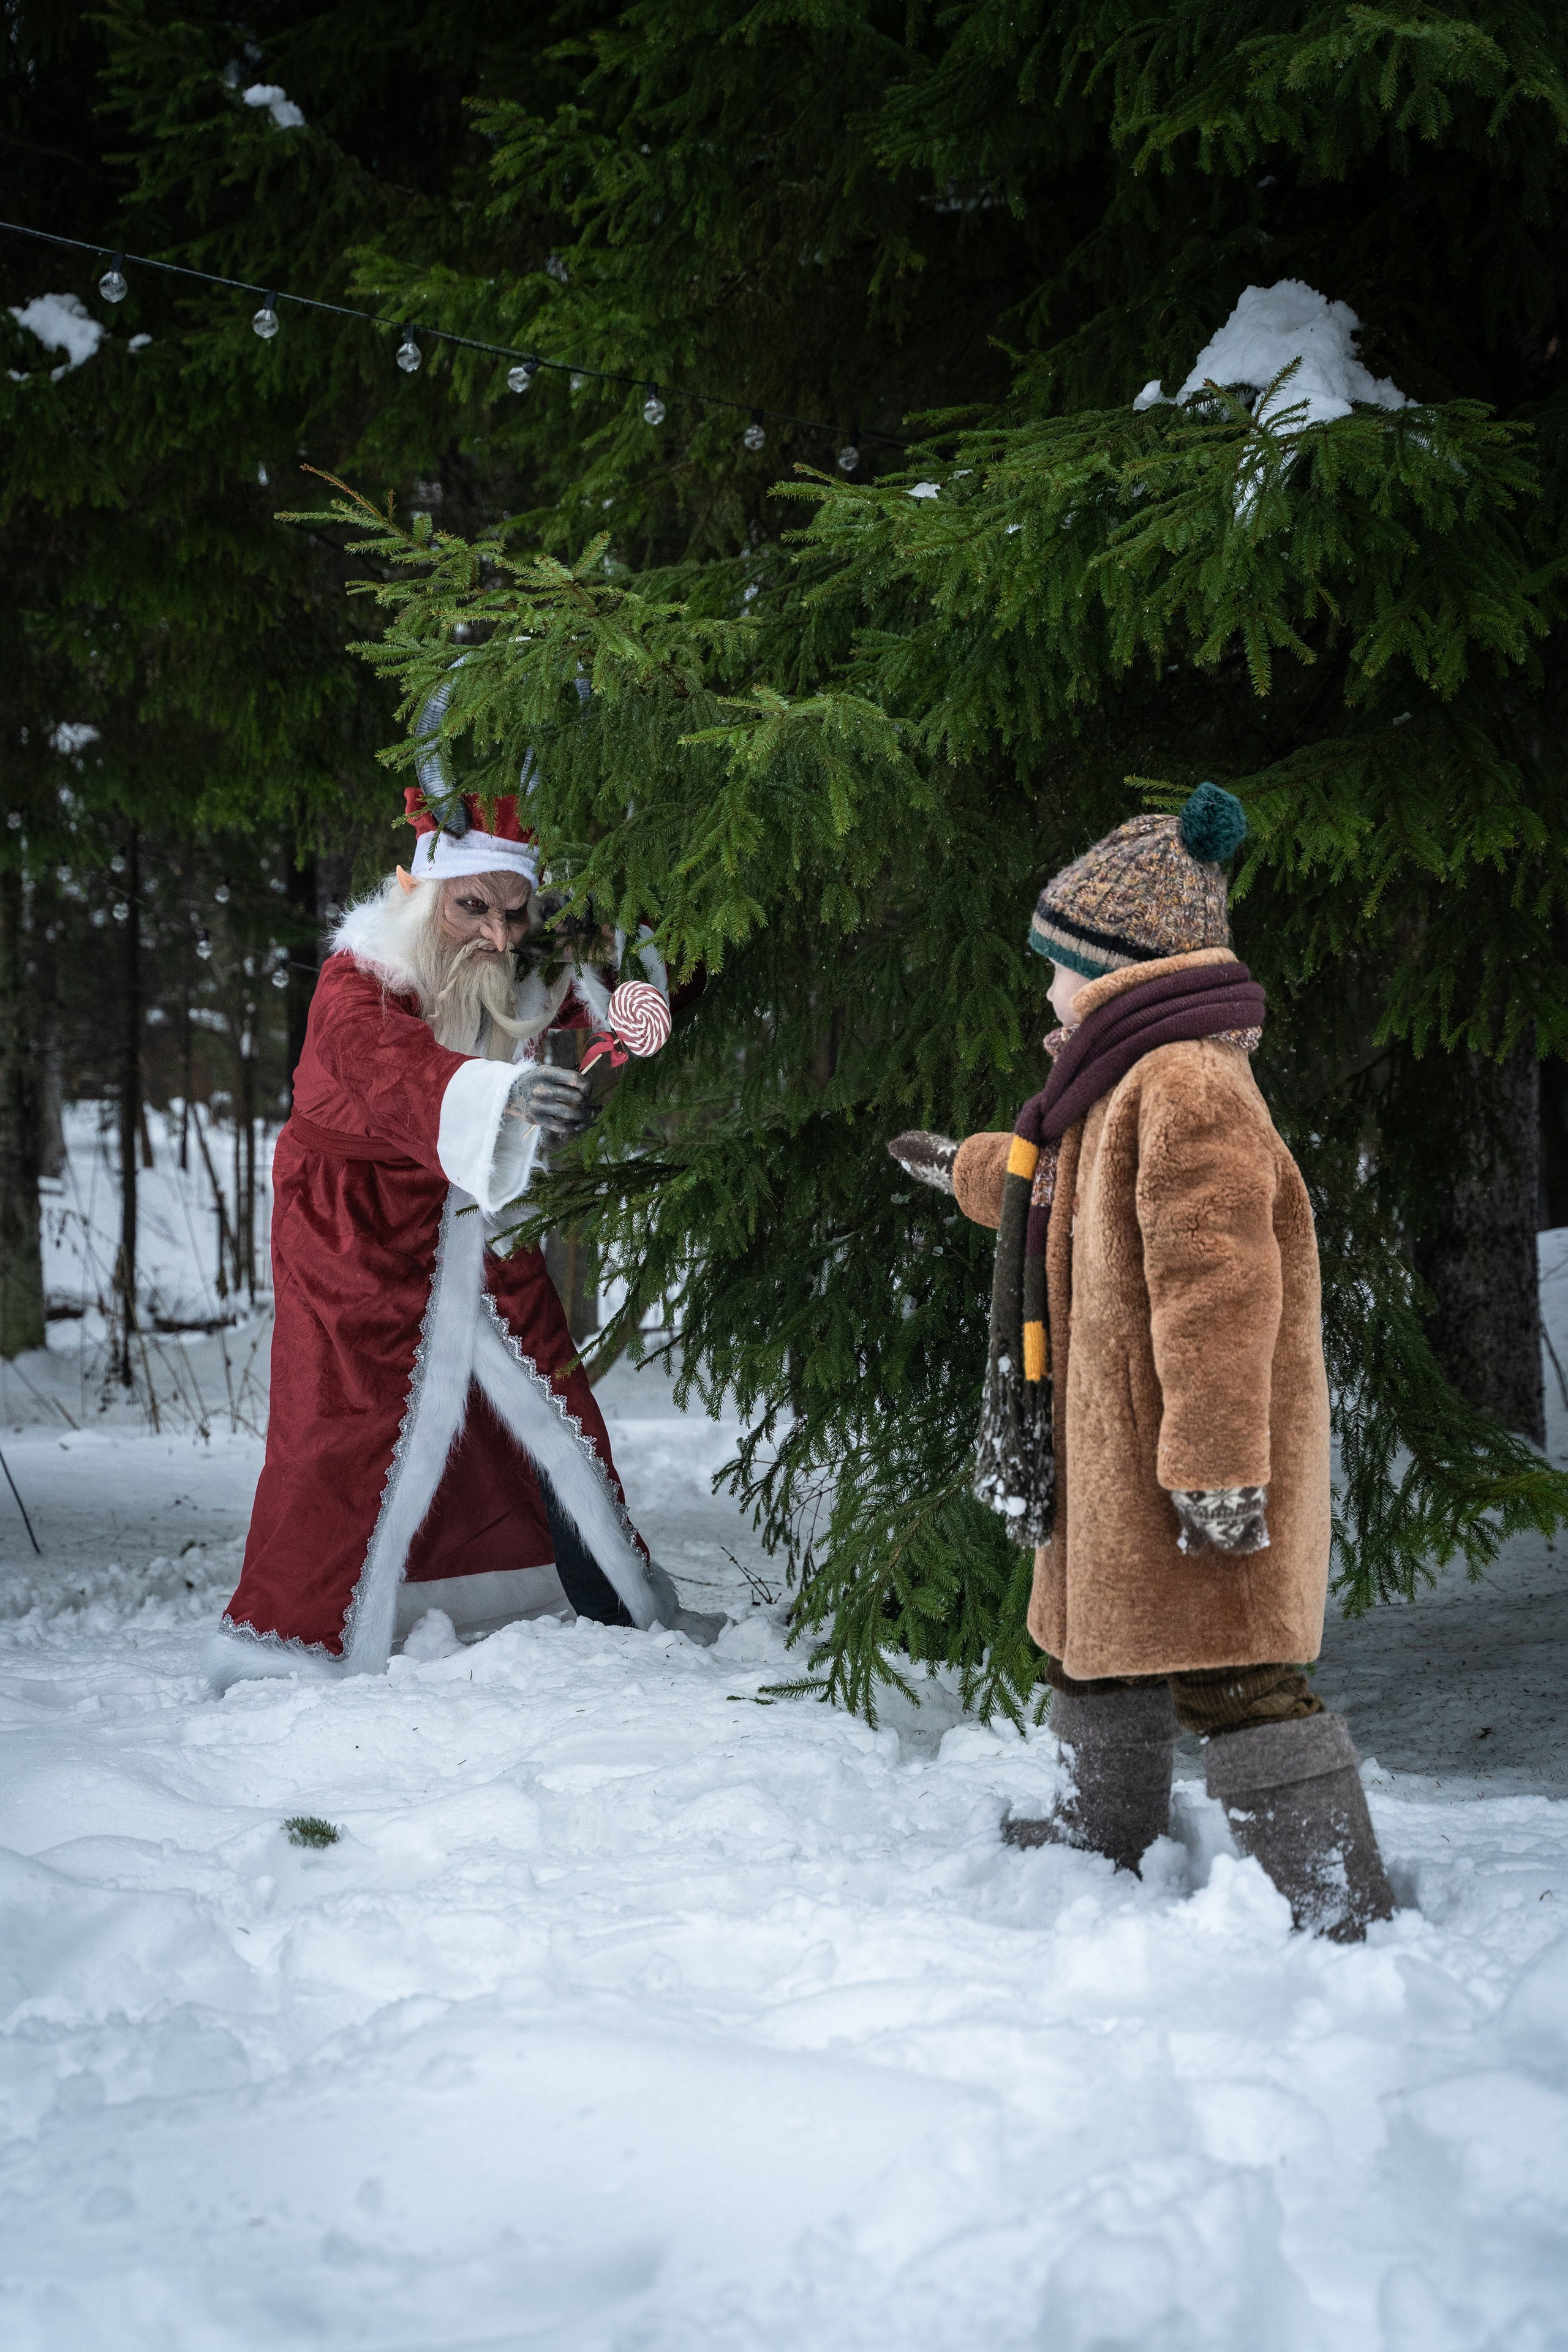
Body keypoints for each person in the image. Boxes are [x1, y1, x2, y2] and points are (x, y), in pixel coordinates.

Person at [889, 784, 1395, 1940]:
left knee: (1238, 1670)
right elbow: (1052, 1183)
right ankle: (1098, 1838)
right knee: (1101, 1648)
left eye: (1057, 965)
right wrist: (961, 1168)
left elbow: (1220, 1292)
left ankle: (1336, 1902)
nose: (1044, 988)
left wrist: (1216, 1465)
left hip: (1193, 1467)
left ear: (1120, 965)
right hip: (1120, 1461)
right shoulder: (1122, 1081)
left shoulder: (1188, 1087)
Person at [209, 786, 717, 1691]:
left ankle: (610, 1600)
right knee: (341, 1430)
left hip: (473, 1219)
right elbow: (389, 1066)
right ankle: (288, 1646)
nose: (495, 932)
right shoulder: (358, 978)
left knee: (553, 1404)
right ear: (423, 891)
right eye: (472, 907)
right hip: (350, 1231)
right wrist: (505, 1100)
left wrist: (625, 1013)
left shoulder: (514, 971)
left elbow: (583, 1031)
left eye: (514, 913)